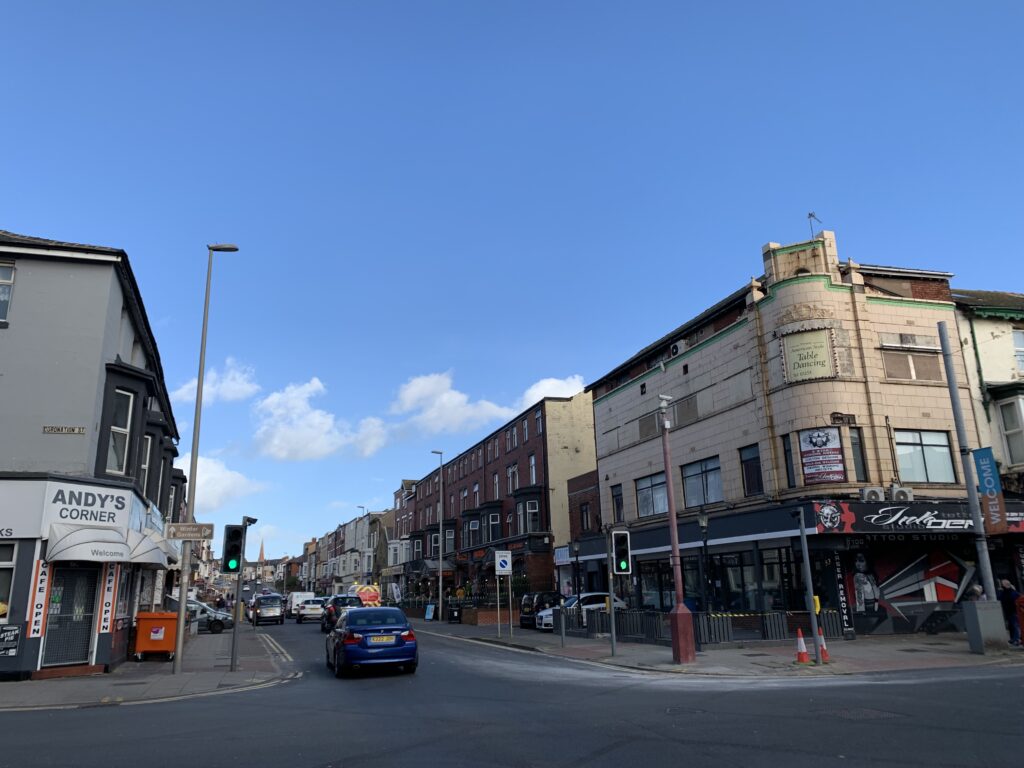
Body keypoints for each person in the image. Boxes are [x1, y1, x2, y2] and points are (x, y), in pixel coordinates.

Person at [997, 579, 1021, 646]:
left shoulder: (1011, 593)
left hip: (1013, 611)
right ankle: (1014, 638)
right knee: (1012, 625)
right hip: (1010, 611)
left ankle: (1016, 639)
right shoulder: (1007, 592)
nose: (1001, 586)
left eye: (1002, 584)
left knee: (1015, 625)